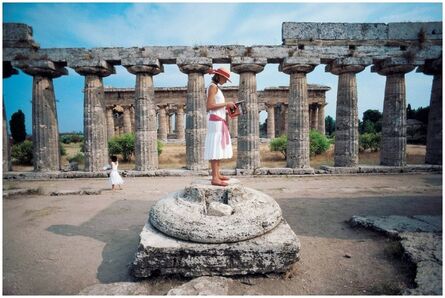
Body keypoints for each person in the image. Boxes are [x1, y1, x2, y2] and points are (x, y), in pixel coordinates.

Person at [204, 67, 237, 187]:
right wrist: (226, 103)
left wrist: (227, 108)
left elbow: (216, 106)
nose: (226, 81)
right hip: (215, 122)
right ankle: (214, 178)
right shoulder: (212, 87)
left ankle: (217, 174)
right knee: (215, 147)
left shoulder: (216, 87)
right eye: (225, 78)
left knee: (218, 147)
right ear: (219, 76)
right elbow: (209, 105)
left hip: (218, 121)